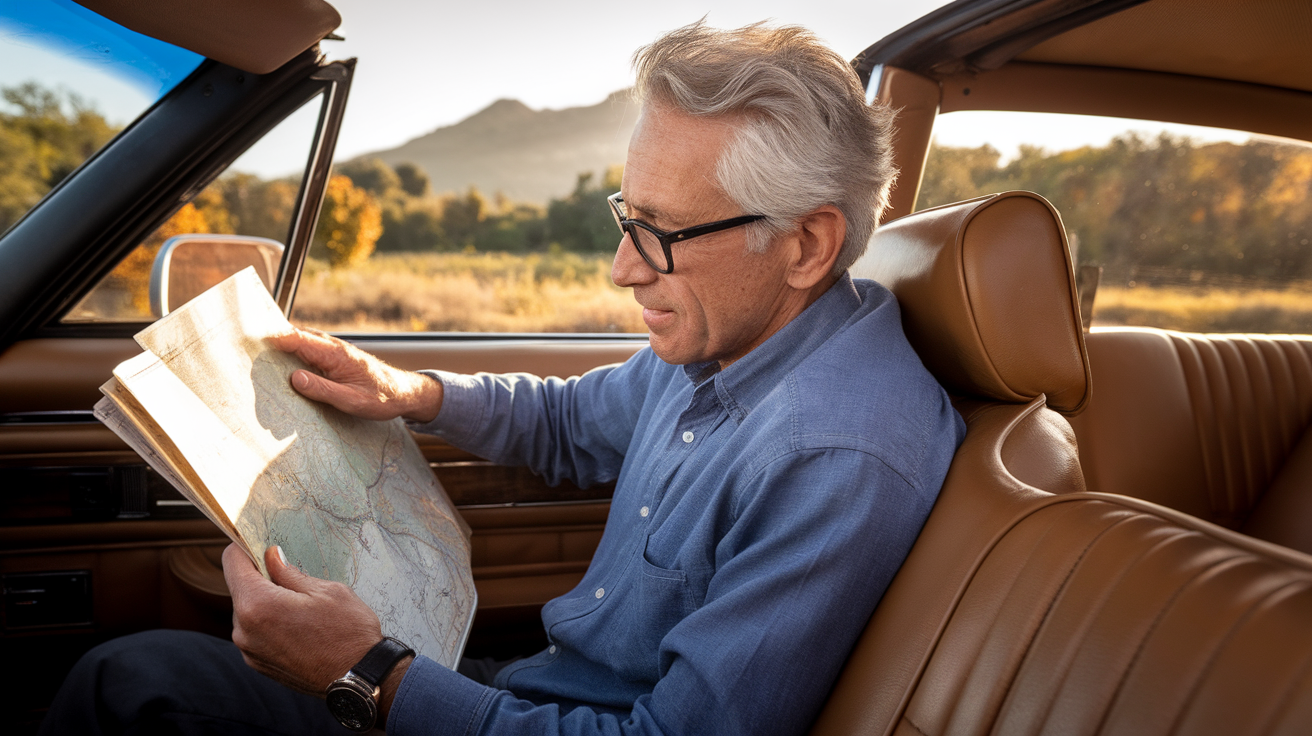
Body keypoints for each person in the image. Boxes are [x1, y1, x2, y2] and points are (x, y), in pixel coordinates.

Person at [42, 20, 964, 736]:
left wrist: (370, 677)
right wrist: (410, 392)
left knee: (133, 691)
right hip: (527, 693)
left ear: (807, 245)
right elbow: (569, 422)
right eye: (624, 215)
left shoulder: (835, 453)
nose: (622, 269)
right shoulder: (742, 338)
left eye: (662, 233)